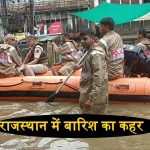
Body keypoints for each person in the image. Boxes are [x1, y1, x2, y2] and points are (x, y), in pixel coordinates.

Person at [74, 29, 108, 114]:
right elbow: (91, 66)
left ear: (93, 39)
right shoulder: (90, 52)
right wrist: (79, 66)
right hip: (88, 92)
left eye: (85, 39)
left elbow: (98, 77)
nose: (82, 41)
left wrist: (91, 99)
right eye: (81, 39)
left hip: (93, 97)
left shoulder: (96, 54)